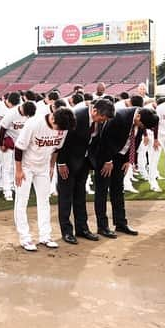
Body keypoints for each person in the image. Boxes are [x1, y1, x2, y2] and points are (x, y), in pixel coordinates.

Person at [14, 106, 76, 252]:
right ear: (53, 118)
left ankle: (45, 236)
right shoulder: (34, 123)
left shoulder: (63, 126)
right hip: (25, 166)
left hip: (43, 167)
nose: (58, 131)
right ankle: (25, 238)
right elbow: (19, 148)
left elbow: (56, 149)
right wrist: (18, 170)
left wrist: (51, 166)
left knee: (44, 200)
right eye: (57, 127)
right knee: (22, 201)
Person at [92, 106, 160, 238]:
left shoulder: (141, 121)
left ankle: (121, 223)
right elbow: (105, 139)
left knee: (118, 190)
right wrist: (107, 160)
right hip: (105, 157)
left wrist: (129, 159)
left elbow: (135, 140)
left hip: (121, 159)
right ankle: (103, 226)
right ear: (138, 117)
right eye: (142, 125)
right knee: (102, 190)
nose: (142, 128)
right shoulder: (119, 116)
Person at [56, 98, 114, 244]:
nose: (103, 121)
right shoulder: (76, 116)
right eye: (102, 117)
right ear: (94, 111)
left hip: (84, 162)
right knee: (66, 197)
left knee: (80, 196)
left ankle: (82, 229)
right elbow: (64, 141)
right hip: (67, 163)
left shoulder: (100, 120)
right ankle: (67, 232)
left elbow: (96, 140)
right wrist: (61, 162)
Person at [0, 97, 36, 201]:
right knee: (7, 167)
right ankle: (7, 190)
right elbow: (2, 129)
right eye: (26, 114)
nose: (26, 116)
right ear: (22, 109)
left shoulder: (30, 113)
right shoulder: (11, 114)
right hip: (9, 141)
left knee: (19, 167)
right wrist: (1, 144)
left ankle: (17, 188)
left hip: (21, 143)